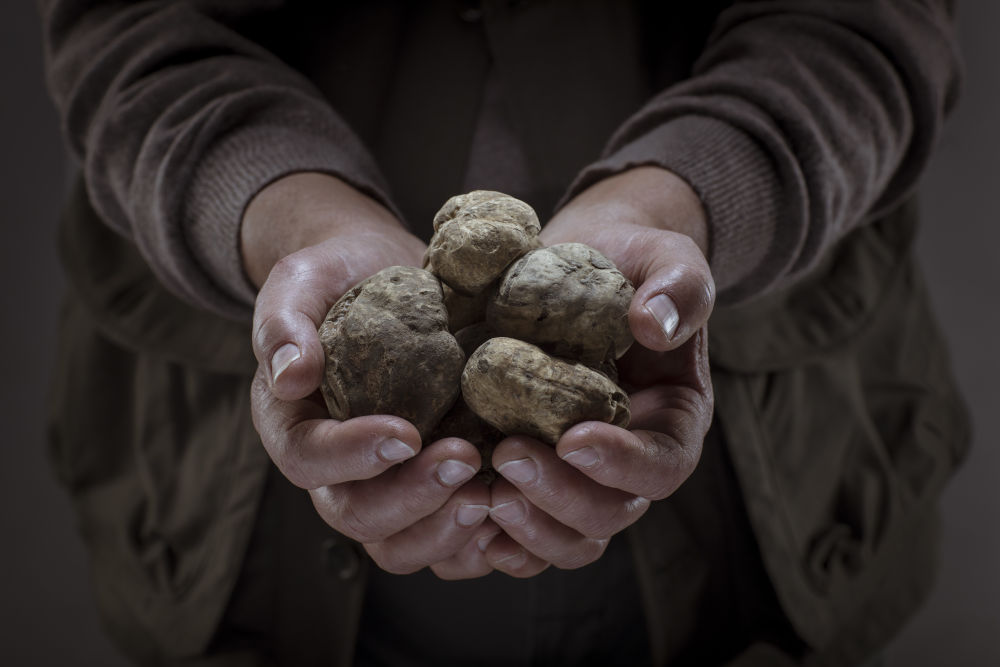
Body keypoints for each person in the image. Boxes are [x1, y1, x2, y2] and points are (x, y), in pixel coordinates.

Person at [40, 1, 970, 665]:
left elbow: (868, 23)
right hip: (244, 528)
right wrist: (293, 217)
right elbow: (124, 31)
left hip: (760, 485)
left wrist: (689, 194)